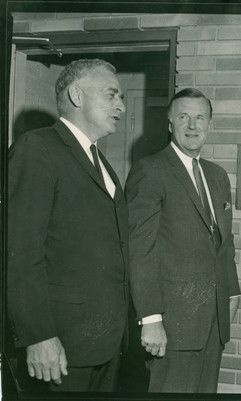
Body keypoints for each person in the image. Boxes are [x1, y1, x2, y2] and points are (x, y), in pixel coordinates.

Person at [7, 59, 129, 392]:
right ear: (76, 95)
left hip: (103, 343)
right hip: (60, 346)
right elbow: (19, 252)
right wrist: (38, 335)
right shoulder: (37, 149)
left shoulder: (99, 160)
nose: (120, 105)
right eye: (111, 95)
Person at [125, 88, 240, 393]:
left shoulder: (216, 175)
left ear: (210, 124)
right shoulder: (150, 170)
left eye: (200, 117)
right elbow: (140, 249)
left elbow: (224, 244)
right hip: (171, 325)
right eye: (183, 117)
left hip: (213, 322)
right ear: (170, 124)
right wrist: (150, 318)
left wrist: (232, 295)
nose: (192, 126)